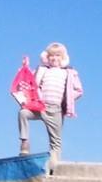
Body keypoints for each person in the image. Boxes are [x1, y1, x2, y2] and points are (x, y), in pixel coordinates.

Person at [15, 42, 83, 172]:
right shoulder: (42, 70)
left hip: (56, 110)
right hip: (41, 107)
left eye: (58, 55)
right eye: (51, 55)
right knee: (23, 113)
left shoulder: (69, 73)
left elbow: (79, 90)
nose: (54, 58)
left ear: (63, 57)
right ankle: (25, 142)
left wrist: (67, 99)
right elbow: (28, 78)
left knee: (55, 142)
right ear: (47, 57)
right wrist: (24, 67)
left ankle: (53, 168)